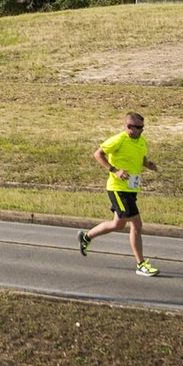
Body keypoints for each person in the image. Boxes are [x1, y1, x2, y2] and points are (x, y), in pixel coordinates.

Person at [77, 112, 160, 276]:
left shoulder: (141, 141)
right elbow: (98, 154)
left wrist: (148, 164)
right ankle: (141, 265)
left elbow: (141, 158)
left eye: (142, 127)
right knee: (136, 224)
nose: (141, 130)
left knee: (118, 224)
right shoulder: (119, 139)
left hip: (131, 189)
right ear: (128, 127)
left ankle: (86, 237)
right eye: (138, 127)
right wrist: (114, 171)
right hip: (118, 189)